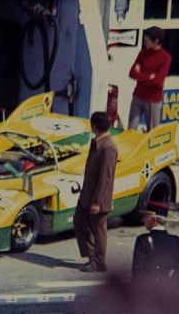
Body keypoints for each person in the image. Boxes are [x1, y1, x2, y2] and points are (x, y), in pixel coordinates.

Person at [74, 111, 118, 272]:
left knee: (99, 229)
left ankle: (99, 262)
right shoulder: (97, 143)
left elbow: (105, 178)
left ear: (93, 126)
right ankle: (91, 255)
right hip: (87, 195)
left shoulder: (108, 148)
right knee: (79, 221)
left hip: (97, 198)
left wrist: (97, 202)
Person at [132, 201, 179, 287]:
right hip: (169, 292)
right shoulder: (175, 240)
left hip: (147, 292)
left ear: (153, 219)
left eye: (146, 217)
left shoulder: (142, 240)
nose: (143, 220)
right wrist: (170, 286)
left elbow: (137, 271)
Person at [128, 26, 171, 131]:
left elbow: (158, 81)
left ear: (156, 41)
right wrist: (149, 76)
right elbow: (132, 73)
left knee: (152, 131)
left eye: (147, 40)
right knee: (131, 128)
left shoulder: (165, 57)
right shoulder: (143, 53)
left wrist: (141, 76)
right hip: (138, 96)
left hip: (153, 99)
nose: (144, 42)